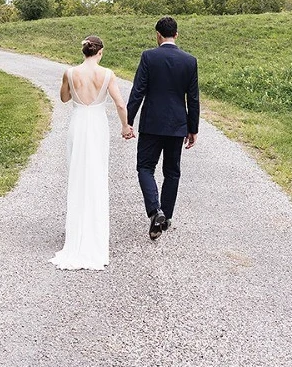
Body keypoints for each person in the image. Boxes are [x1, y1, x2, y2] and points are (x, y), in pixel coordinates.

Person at [50, 35, 134, 270]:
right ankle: (95, 234)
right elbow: (119, 104)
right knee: (96, 175)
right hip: (97, 126)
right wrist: (125, 126)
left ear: (84, 51)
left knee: (77, 175)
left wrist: (68, 84)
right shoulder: (107, 74)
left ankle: (76, 232)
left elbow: (64, 98)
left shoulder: (70, 72)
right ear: (100, 52)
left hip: (78, 123)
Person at [126, 16, 200, 240]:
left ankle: (154, 211)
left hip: (151, 123)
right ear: (176, 34)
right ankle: (165, 217)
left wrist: (128, 120)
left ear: (158, 35)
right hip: (178, 124)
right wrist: (193, 128)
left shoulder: (149, 56)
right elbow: (193, 99)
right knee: (172, 172)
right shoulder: (190, 61)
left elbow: (138, 90)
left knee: (145, 168)